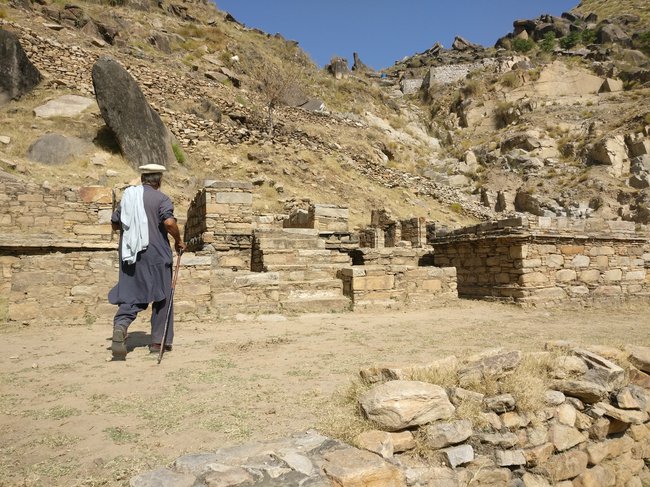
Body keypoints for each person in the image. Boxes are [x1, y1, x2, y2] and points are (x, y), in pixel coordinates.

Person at [108, 163, 186, 360]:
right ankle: (158, 342)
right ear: (158, 180)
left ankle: (121, 325)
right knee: (162, 297)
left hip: (131, 255)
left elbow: (115, 223)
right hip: (157, 256)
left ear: (143, 179)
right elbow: (169, 222)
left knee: (131, 294)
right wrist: (178, 240)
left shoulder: (128, 198)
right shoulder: (161, 198)